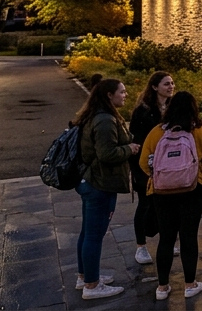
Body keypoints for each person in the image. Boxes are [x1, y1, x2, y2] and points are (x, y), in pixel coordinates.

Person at [139, 91, 202, 300]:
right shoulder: (201, 130)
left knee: (166, 238)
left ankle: (162, 287)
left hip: (161, 191)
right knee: (188, 236)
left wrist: (162, 175)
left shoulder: (157, 132)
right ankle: (190, 284)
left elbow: (143, 162)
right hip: (193, 189)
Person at [74, 79, 138, 300]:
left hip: (92, 182)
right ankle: (92, 286)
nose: (125, 95)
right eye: (122, 91)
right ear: (110, 95)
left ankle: (85, 276)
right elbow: (107, 153)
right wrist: (129, 148)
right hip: (100, 183)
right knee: (94, 235)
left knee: (87, 232)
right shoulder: (104, 120)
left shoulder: (98, 116)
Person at [127, 71, 173, 266]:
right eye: (166, 84)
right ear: (155, 87)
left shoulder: (172, 107)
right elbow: (137, 140)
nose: (171, 87)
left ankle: (167, 241)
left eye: (172, 83)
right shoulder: (143, 111)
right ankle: (141, 246)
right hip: (145, 163)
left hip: (168, 164)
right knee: (145, 203)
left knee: (166, 204)